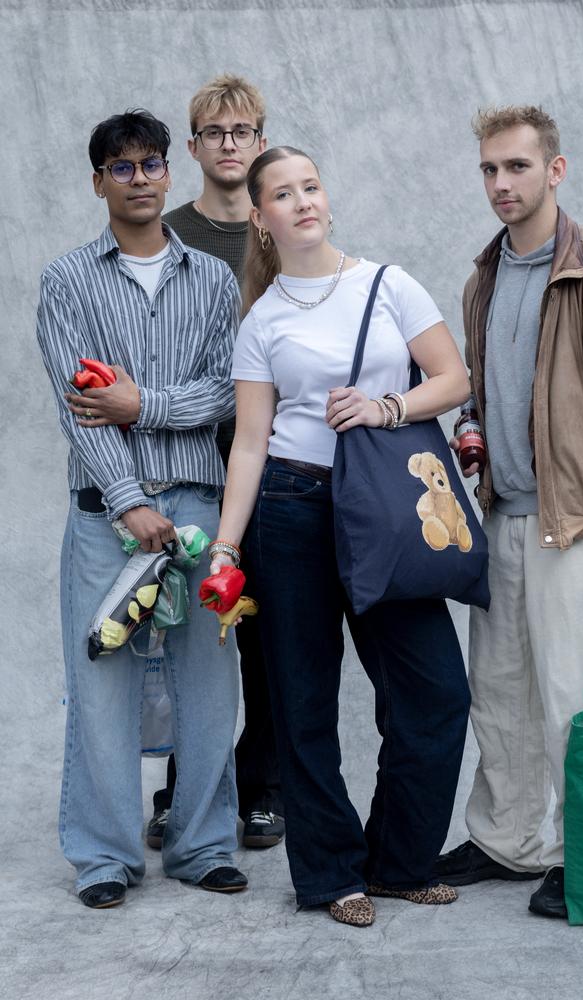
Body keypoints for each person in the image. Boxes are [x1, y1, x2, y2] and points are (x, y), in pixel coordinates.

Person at [209, 145, 472, 926]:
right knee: (302, 701)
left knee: (434, 692)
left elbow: (454, 379)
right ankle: (330, 875)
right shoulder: (261, 320)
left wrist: (388, 408)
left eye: (311, 186)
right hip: (291, 511)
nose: (302, 202)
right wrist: (226, 547)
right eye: (283, 195)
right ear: (261, 219)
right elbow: (250, 443)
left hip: (386, 508)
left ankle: (398, 861)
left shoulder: (388, 285)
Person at [434, 105, 583, 918]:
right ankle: (509, 841)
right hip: (502, 517)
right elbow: (488, 387)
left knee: (578, 700)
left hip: (577, 528)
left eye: (517, 167)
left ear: (555, 170)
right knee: (499, 692)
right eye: (489, 170)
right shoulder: (486, 276)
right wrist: (474, 433)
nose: (501, 185)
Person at [36, 109, 247, 908]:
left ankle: (201, 846)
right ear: (99, 182)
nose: (139, 179)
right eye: (121, 168)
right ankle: (105, 857)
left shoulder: (214, 279)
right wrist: (128, 503)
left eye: (151, 164)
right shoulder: (68, 280)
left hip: (196, 510)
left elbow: (227, 391)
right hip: (104, 518)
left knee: (207, 683)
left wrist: (140, 402)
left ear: (170, 172)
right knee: (102, 687)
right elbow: (78, 406)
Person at [146, 74, 285, 854]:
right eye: (214, 132)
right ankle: (182, 790)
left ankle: (263, 788)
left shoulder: (283, 228)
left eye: (243, 131)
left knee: (268, 634)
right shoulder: (165, 235)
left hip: (274, 465)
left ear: (259, 142)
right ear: (194, 146)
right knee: (186, 636)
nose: (229, 145)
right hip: (191, 463)